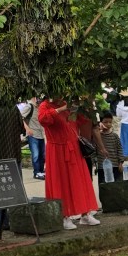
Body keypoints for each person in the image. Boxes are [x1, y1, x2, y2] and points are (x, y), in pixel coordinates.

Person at [37, 96, 101, 229]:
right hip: (57, 150)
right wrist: (61, 109)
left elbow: (83, 121)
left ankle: (85, 214)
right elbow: (43, 119)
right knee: (61, 183)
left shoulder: (70, 103)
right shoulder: (45, 105)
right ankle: (64, 216)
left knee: (81, 181)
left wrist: (85, 107)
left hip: (74, 148)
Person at [20, 98, 45, 179]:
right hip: (33, 134)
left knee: (42, 154)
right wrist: (27, 128)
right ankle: (37, 172)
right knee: (36, 155)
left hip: (42, 134)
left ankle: (41, 171)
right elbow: (20, 117)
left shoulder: (40, 107)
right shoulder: (29, 106)